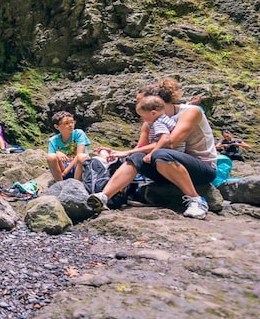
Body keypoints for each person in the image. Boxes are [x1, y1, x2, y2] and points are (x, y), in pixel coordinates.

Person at [87, 81, 217, 219]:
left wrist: (128, 152)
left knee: (161, 154)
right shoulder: (149, 121)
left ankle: (196, 200)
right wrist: (116, 153)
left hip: (201, 168)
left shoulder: (191, 112)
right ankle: (104, 197)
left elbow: (171, 142)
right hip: (166, 169)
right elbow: (140, 149)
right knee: (137, 157)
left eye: (141, 101)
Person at [135, 95, 185, 164]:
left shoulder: (159, 123)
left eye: (143, 116)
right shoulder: (167, 119)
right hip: (178, 153)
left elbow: (165, 139)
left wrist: (151, 153)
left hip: (169, 155)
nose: (142, 119)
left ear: (153, 113)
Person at [47, 110, 90, 181]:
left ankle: (76, 185)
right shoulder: (53, 140)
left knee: (82, 156)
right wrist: (57, 153)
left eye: (72, 122)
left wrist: (65, 172)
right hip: (62, 168)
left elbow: (80, 154)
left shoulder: (78, 133)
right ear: (57, 126)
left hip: (77, 167)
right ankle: (60, 184)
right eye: (66, 123)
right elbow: (51, 158)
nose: (70, 125)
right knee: (51, 157)